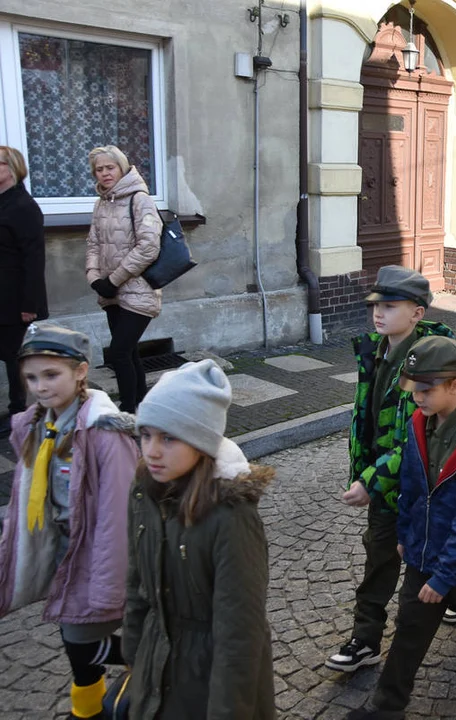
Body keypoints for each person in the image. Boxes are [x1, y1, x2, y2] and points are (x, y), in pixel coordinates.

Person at [347, 337, 456, 719]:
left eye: (427, 389)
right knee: (409, 628)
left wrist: (444, 578)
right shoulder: (418, 424)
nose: (418, 397)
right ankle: (388, 707)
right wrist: (406, 537)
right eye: (414, 388)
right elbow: (410, 484)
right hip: (424, 550)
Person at [0, 324, 137, 719]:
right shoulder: (34, 426)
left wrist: (110, 587)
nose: (39, 387)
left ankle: (151, 654)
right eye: (30, 377)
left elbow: (118, 516)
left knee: (79, 640)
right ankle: (88, 709)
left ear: (80, 371)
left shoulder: (105, 434)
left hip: (97, 557)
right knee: (72, 637)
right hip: (63, 553)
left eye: (50, 374)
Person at [126, 360, 275, 718]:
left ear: (201, 442)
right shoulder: (145, 491)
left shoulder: (231, 516)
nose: (152, 450)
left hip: (208, 679)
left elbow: (240, 629)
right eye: (146, 434)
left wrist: (228, 711)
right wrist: (134, 652)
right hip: (156, 661)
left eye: (169, 437)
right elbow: (136, 580)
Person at [327, 266, 455, 673]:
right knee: (378, 558)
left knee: (435, 559)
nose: (378, 314)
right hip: (385, 489)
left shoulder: (430, 362)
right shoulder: (374, 351)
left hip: (423, 488)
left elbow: (415, 437)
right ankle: (366, 640)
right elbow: (366, 421)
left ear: (417, 313)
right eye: (376, 306)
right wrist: (363, 473)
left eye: (390, 306)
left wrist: (371, 479)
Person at [85, 145, 162, 413]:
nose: (105, 173)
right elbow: (93, 243)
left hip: (138, 290)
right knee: (128, 353)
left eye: (110, 167)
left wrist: (114, 279)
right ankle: (142, 406)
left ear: (122, 167)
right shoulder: (101, 202)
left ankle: (128, 410)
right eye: (99, 169)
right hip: (110, 291)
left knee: (118, 352)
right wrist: (94, 277)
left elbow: (149, 247)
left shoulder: (139, 199)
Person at [0, 146, 47, 431]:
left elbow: (34, 259)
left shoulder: (24, 207)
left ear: (12, 168)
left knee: (13, 358)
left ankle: (20, 413)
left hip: (14, 298)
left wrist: (29, 304)